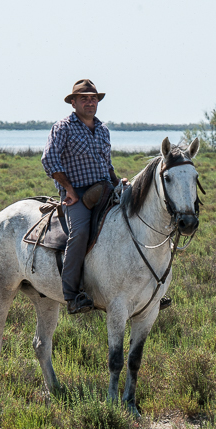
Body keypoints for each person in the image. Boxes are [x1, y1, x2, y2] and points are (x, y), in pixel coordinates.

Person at [41, 79, 123, 314]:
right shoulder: (63, 127)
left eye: (93, 98)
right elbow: (49, 160)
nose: (90, 102)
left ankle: (146, 289)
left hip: (105, 188)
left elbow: (106, 165)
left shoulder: (103, 129)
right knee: (80, 233)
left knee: (136, 218)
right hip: (77, 194)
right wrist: (68, 189)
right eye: (84, 98)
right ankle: (72, 294)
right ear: (73, 102)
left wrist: (118, 183)